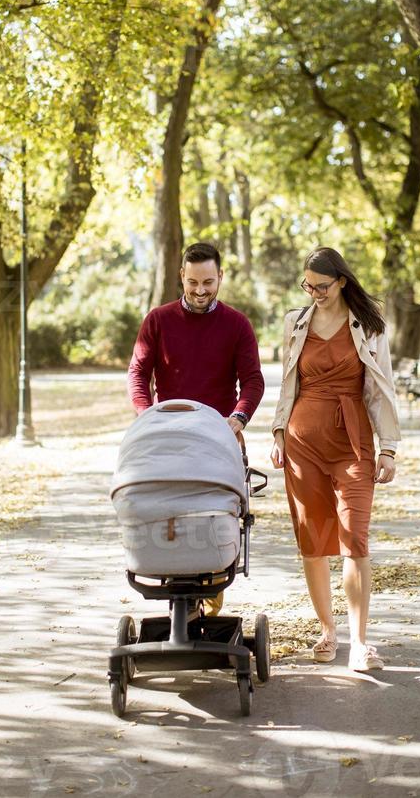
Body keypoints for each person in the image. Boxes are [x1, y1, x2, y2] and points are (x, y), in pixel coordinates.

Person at [270, 246, 400, 672]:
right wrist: (277, 433)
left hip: (353, 443)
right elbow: (288, 382)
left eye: (321, 286)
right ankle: (328, 629)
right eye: (307, 285)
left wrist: (389, 447)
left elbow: (382, 390)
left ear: (342, 281)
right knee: (313, 542)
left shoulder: (370, 327)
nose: (314, 293)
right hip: (302, 444)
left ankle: (360, 644)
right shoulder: (296, 322)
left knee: (354, 541)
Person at [128, 241, 265, 615]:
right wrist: (145, 414)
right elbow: (139, 374)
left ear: (220, 276)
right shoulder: (158, 321)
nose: (201, 290)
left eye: (208, 281)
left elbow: (252, 381)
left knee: (215, 515)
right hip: (167, 437)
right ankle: (177, 587)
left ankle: (211, 584)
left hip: (218, 439)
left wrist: (236, 420)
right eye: (193, 282)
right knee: (164, 508)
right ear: (181, 277)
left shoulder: (236, 324)